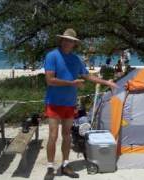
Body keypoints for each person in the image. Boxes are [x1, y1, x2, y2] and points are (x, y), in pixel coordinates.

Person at [43, 28, 118, 180]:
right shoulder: (52, 56)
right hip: (54, 103)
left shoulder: (76, 59)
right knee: (53, 136)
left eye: (70, 41)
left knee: (67, 136)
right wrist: (72, 83)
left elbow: (87, 76)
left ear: (74, 44)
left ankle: (65, 165)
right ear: (61, 40)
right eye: (65, 40)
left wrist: (106, 82)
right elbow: (49, 80)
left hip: (70, 104)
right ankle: (50, 167)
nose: (67, 42)